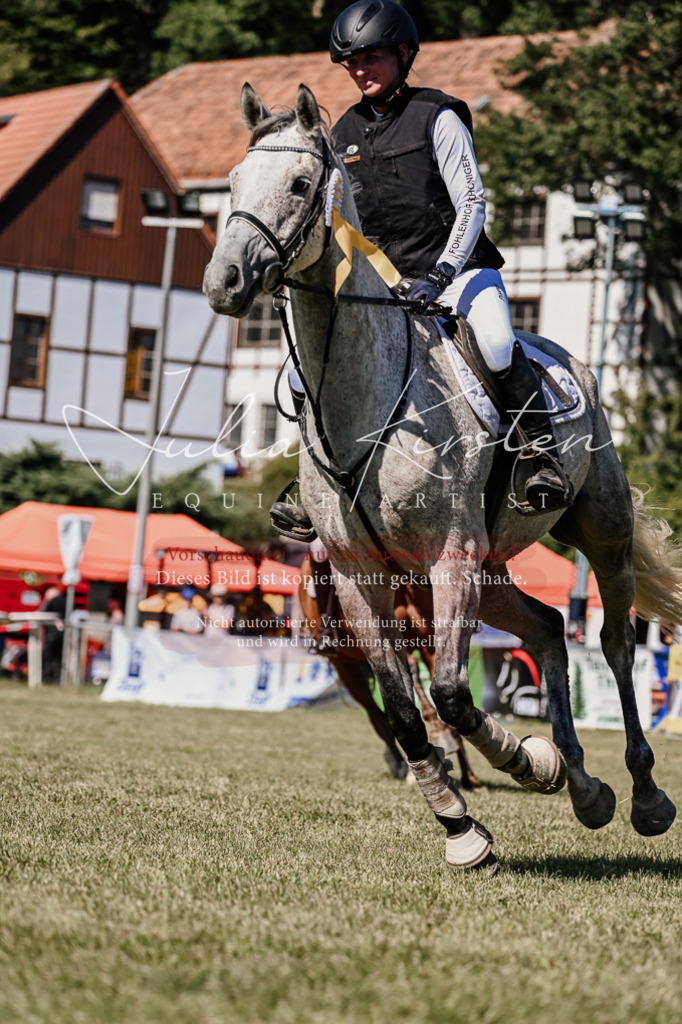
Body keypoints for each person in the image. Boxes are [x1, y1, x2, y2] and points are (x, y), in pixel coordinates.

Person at [270, 0, 572, 540]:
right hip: (383, 285)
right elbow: (335, 219)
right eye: (353, 63)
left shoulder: (439, 115)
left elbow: (472, 204)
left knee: (499, 343)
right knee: (301, 368)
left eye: (372, 59)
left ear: (403, 54)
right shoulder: (342, 134)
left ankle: (539, 456)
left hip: (457, 272)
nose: (361, 70)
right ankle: (313, 478)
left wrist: (440, 273)